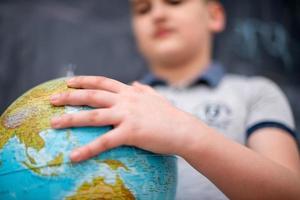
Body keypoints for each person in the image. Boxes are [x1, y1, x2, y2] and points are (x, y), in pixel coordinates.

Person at [50, 0, 300, 199]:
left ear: (214, 15)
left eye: (175, 1)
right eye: (143, 9)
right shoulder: (117, 101)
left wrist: (185, 133)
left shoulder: (256, 92)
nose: (157, 14)